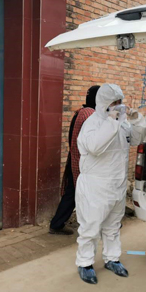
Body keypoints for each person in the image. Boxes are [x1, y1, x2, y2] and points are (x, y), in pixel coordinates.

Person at [75, 84, 146, 284]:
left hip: (117, 184)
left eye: (119, 101)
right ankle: (85, 263)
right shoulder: (92, 123)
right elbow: (95, 147)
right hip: (95, 186)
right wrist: (112, 121)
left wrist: (136, 120)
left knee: (113, 226)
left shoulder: (121, 123)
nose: (117, 105)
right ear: (103, 103)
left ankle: (112, 259)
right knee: (90, 228)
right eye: (113, 102)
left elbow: (137, 138)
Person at [49, 85, 100, 235]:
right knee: (91, 195)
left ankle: (57, 224)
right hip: (85, 163)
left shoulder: (81, 112)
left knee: (71, 194)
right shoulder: (91, 115)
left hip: (75, 160)